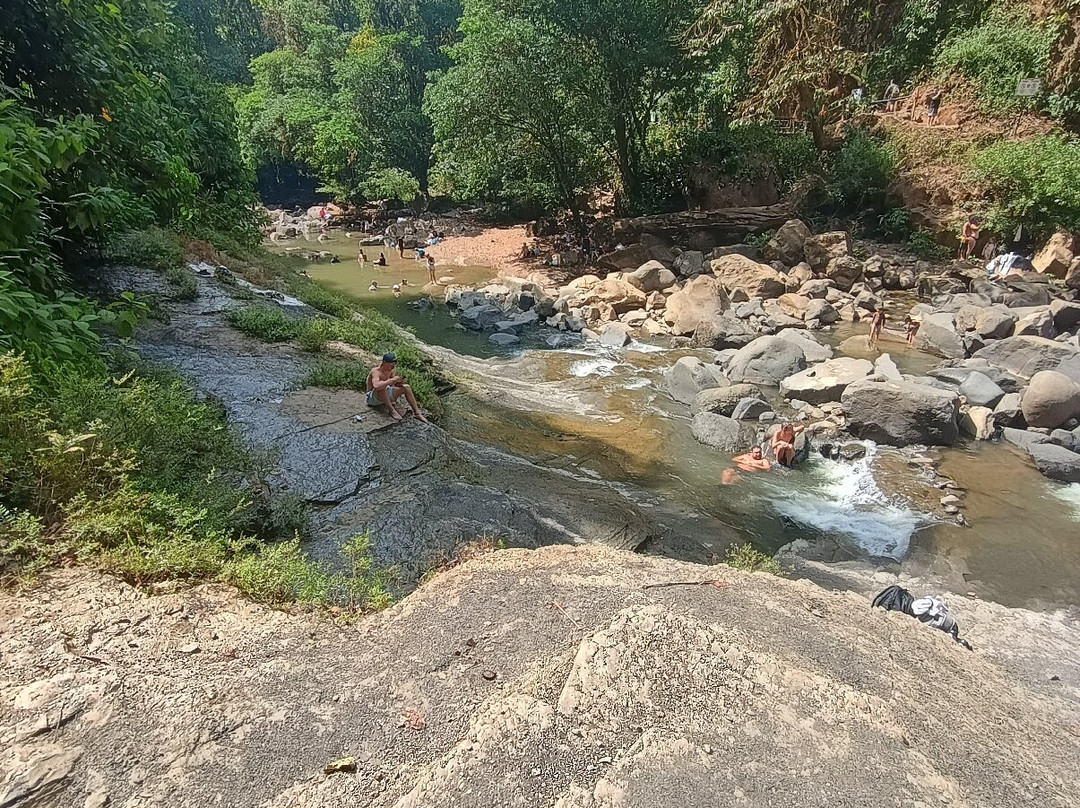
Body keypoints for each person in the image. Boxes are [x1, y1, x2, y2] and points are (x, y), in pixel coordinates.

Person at [366, 354, 429, 423]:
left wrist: (399, 382)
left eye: (394, 365)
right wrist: (392, 380)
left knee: (406, 387)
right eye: (391, 365)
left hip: (385, 393)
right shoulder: (375, 371)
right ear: (384, 363)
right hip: (373, 398)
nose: (393, 367)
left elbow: (392, 385)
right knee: (381, 387)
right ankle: (391, 410)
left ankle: (417, 413)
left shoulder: (391, 371)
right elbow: (376, 386)